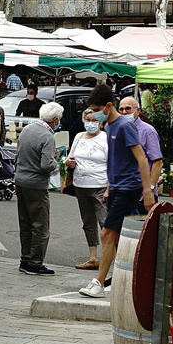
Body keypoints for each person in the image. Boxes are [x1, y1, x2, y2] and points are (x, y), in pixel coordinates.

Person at [78, 82, 153, 299]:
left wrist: (147, 191)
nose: (93, 114)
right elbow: (115, 160)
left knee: (106, 233)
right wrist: (110, 186)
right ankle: (126, 278)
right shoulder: (109, 127)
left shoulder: (124, 126)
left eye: (95, 109)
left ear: (108, 105)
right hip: (117, 186)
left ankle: (99, 282)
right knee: (117, 236)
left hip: (129, 187)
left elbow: (142, 158)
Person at [14, 102, 62, 276]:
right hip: (36, 184)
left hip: (20, 181)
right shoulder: (47, 136)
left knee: (25, 223)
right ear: (55, 119)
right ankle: (35, 263)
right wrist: (58, 162)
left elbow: (18, 155)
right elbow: (46, 165)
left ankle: (25, 259)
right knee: (40, 226)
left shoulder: (27, 130)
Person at [65, 108, 109, 271]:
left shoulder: (105, 139)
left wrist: (108, 188)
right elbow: (70, 156)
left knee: (104, 222)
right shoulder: (78, 137)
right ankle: (92, 258)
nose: (90, 123)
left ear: (101, 122)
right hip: (80, 185)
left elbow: (112, 164)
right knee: (88, 222)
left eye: (94, 120)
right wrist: (68, 163)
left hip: (99, 185)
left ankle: (108, 256)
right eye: (88, 120)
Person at [115, 95, 164, 192]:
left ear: (138, 110)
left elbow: (157, 162)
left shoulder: (148, 131)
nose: (124, 112)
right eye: (121, 109)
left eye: (128, 108)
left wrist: (150, 188)